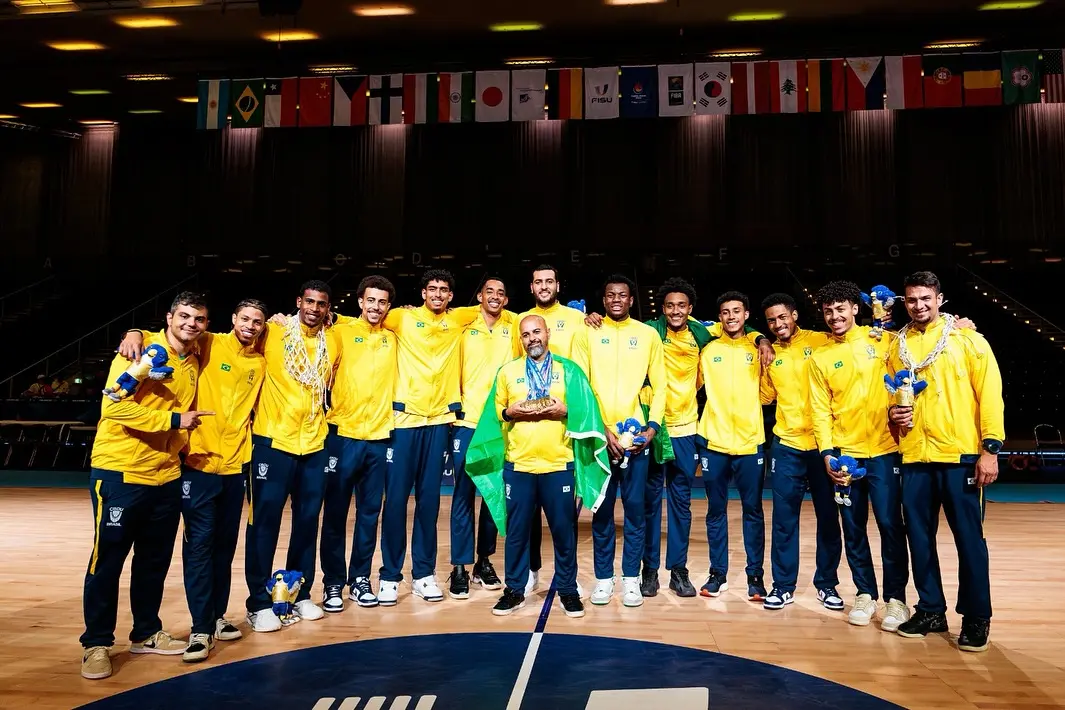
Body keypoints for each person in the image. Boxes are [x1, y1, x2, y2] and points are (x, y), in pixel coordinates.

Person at [119, 299, 268, 661]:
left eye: (258, 321)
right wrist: (135, 332)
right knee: (199, 547)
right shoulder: (210, 342)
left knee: (224, 547)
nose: (250, 325)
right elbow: (170, 337)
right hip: (197, 463)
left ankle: (216, 616)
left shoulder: (260, 360)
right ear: (232, 319)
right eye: (245, 318)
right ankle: (200, 627)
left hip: (235, 467)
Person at [80, 292, 211, 680]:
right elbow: (113, 407)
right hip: (120, 470)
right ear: (168, 317)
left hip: (166, 473)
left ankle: (146, 632)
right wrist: (174, 421)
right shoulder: (137, 354)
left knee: (153, 561)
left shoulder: (193, 356)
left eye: (200, 319)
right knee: (108, 561)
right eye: (184, 316)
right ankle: (96, 643)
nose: (191, 324)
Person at [627, 278, 772, 599]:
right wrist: (591, 317)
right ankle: (648, 571)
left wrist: (761, 337)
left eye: (682, 305)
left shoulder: (703, 334)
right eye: (669, 306)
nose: (675, 311)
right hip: (654, 428)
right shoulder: (650, 331)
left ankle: (678, 570)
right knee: (650, 503)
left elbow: (735, 328)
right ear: (661, 310)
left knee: (681, 505)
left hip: (688, 430)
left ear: (690, 310)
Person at [887, 271, 1003, 652]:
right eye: (911, 299)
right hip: (916, 456)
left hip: (961, 457)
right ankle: (931, 609)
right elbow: (892, 396)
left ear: (939, 299)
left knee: (969, 541)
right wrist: (894, 414)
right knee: (919, 539)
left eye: (925, 298)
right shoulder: (896, 347)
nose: (918, 305)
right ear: (904, 302)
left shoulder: (969, 341)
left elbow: (990, 394)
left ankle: (976, 617)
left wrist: (990, 449)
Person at [466, 314, 611, 619]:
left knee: (563, 532)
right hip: (518, 465)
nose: (532, 338)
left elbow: (587, 412)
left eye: (537, 332)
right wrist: (509, 412)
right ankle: (515, 590)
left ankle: (569, 591)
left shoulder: (569, 371)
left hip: (559, 464)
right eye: (526, 334)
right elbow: (495, 413)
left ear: (547, 334)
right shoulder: (507, 372)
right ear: (521, 340)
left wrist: (565, 410)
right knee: (517, 533)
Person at [808, 280, 909, 631]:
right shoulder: (820, 357)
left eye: (841, 309)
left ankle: (896, 600)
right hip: (846, 456)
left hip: (885, 451)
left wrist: (958, 323)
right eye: (828, 311)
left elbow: (913, 366)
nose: (834, 316)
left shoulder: (883, 341)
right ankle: (865, 593)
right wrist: (826, 454)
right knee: (853, 528)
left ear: (855, 308)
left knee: (890, 525)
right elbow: (820, 411)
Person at [377, 269, 481, 604]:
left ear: (451, 296)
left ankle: (423, 574)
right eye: (432, 289)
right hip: (404, 421)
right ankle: (390, 577)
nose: (437, 294)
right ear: (423, 292)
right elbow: (361, 318)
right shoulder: (401, 318)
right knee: (394, 503)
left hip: (439, 422)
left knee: (429, 503)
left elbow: (500, 311)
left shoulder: (460, 318)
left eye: (444, 290)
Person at [245, 280, 339, 632]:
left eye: (322, 303)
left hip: (314, 444)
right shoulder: (272, 332)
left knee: (306, 524)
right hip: (273, 442)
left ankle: (298, 593)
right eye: (309, 301)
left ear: (328, 308)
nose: (315, 308)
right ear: (298, 301)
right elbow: (222, 341)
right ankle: (258, 602)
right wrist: (137, 332)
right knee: (263, 525)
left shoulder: (335, 338)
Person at [582, 274, 666, 608]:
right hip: (599, 439)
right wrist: (601, 429)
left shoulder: (647, 335)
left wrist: (652, 428)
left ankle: (630, 578)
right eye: (610, 295)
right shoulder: (587, 332)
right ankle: (604, 579)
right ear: (603, 300)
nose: (616, 299)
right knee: (601, 512)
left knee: (635, 512)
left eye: (623, 295)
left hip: (635, 441)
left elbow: (660, 385)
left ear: (632, 300)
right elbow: (581, 386)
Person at [758, 293, 844, 612]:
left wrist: (954, 323)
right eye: (771, 320)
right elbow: (766, 397)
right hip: (787, 445)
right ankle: (782, 586)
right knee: (784, 520)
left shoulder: (821, 340)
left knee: (828, 518)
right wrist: (761, 358)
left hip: (825, 446)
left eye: (783, 317)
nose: (778, 324)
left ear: (794, 315)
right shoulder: (770, 353)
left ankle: (827, 584)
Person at [319, 276, 397, 612]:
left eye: (382, 302)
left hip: (379, 438)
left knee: (369, 513)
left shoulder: (394, 338)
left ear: (388, 306)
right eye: (370, 300)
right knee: (335, 513)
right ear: (360, 301)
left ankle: (360, 578)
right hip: (342, 434)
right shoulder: (340, 331)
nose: (375, 307)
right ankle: (333, 583)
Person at [512, 264, 589, 595]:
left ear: (558, 285)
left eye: (549, 281)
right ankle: (530, 570)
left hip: (563, 423)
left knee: (563, 519)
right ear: (531, 287)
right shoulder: (520, 319)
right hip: (528, 428)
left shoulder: (577, 318)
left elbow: (585, 360)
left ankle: (567, 581)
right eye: (538, 282)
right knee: (526, 518)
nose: (544, 286)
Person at [695, 291, 768, 602]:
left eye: (736, 311)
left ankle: (755, 577)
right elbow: (693, 386)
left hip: (751, 441)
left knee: (753, 511)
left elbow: (769, 394)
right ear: (719, 318)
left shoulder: (759, 350)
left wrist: (762, 340)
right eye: (725, 312)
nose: (731, 317)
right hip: (714, 440)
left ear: (747, 315)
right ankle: (718, 574)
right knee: (715, 511)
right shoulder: (708, 351)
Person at [448, 277, 514, 598]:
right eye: (490, 291)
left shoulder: (513, 326)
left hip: (497, 425)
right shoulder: (463, 322)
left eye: (501, 293)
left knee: (492, 497)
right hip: (466, 422)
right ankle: (459, 566)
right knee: (463, 495)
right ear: (479, 295)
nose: (496, 297)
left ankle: (483, 562)